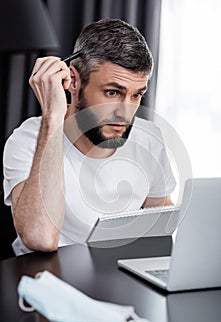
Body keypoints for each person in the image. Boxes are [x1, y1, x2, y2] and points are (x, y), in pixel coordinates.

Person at [3, 18, 176, 256]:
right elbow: (39, 238)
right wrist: (53, 118)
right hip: (47, 279)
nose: (125, 113)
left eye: (136, 95)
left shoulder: (148, 139)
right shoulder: (27, 139)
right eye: (112, 92)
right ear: (73, 81)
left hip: (116, 279)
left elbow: (161, 227)